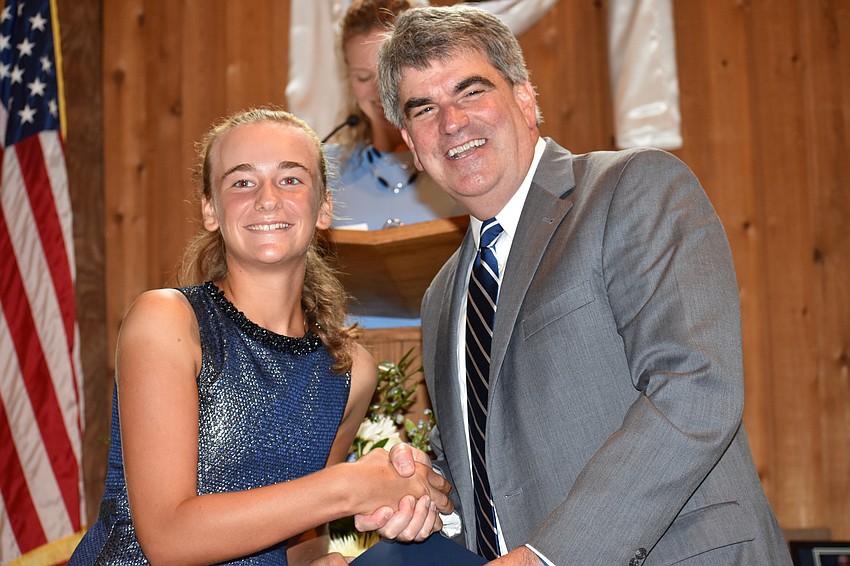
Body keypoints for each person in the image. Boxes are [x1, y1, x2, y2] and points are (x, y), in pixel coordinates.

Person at [358, 5, 794, 565]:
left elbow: (695, 388)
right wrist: (426, 496)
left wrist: (548, 556)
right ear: (411, 144)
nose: (451, 122)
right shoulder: (441, 296)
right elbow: (485, 472)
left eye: (471, 92)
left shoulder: (631, 189)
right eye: (425, 109)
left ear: (524, 98)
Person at [69, 107, 451, 565]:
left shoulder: (349, 371)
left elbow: (300, 539)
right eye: (242, 182)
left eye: (291, 179)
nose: (268, 199)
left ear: (324, 206)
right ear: (210, 209)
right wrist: (352, 486)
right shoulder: (168, 321)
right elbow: (168, 538)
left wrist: (323, 559)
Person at [326, 0, 462, 232]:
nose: (379, 91)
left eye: (389, 73)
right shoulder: (324, 171)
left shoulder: (460, 156)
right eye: (363, 77)